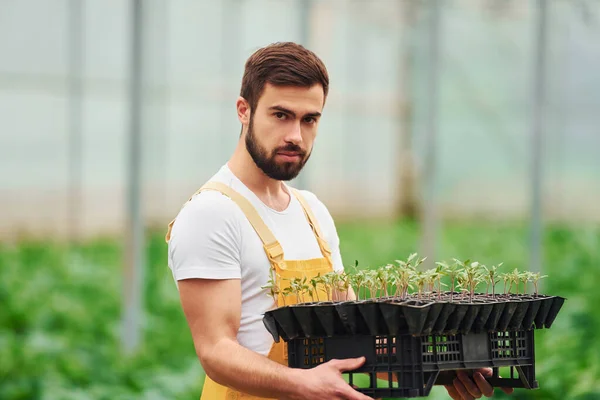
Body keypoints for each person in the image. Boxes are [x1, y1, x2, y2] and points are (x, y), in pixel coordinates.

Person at [165, 42, 514, 400]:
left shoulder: (312, 212)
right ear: (244, 110)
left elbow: (351, 338)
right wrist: (304, 384)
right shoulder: (212, 213)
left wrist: (440, 367)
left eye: (309, 119)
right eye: (280, 115)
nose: (295, 136)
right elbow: (215, 351)